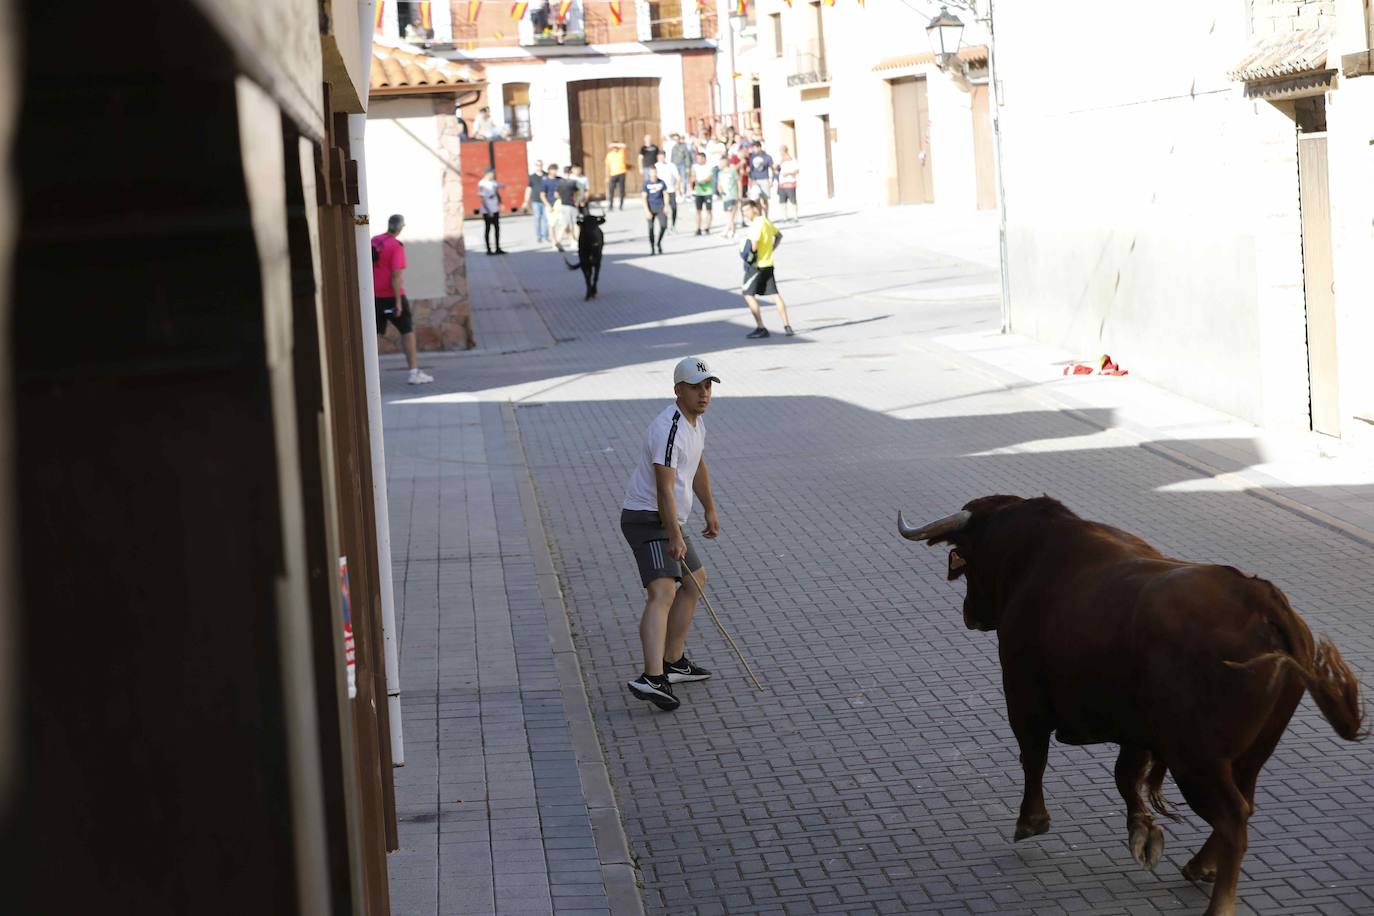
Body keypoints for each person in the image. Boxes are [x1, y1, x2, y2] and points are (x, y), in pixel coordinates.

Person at [621, 356, 722, 711]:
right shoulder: (669, 427)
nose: (704, 394)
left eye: (708, 386)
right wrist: (673, 534)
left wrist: (708, 507)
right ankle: (652, 677)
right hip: (647, 518)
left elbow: (696, 466)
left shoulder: (695, 424)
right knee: (662, 591)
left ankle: (674, 663)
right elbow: (664, 488)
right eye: (695, 388)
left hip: (668, 520)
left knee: (694, 580)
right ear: (678, 390)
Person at [371, 214, 434, 384]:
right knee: (407, 332)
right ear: (400, 228)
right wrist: (398, 302)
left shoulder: (374, 241)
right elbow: (396, 276)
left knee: (371, 335)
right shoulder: (396, 246)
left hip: (373, 296)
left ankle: (367, 373)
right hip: (391, 297)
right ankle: (414, 373)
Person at [738, 199, 793, 338]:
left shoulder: (757, 224)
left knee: (747, 293)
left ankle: (761, 327)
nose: (745, 213)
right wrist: (772, 248)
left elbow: (754, 245)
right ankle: (787, 326)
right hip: (769, 263)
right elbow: (778, 235)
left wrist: (748, 258)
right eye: (743, 211)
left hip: (758, 266)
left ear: (754, 209)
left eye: (747, 210)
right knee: (775, 294)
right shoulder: (766, 221)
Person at [477, 169, 506, 255]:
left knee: (497, 229)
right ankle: (488, 249)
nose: (493, 175)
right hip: (487, 210)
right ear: (487, 174)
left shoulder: (493, 182)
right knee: (488, 229)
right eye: (491, 173)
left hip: (495, 208)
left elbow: (497, 188)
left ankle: (497, 248)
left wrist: (500, 203)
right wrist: (488, 210)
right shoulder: (482, 183)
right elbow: (482, 199)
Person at [642, 164, 668, 255]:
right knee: (651, 228)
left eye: (655, 172)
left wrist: (666, 206)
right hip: (650, 207)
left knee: (664, 225)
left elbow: (665, 194)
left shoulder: (661, 182)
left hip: (660, 207)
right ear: (649, 173)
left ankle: (659, 242)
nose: (654, 174)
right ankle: (652, 247)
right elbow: (644, 197)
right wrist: (647, 210)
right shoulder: (646, 184)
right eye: (652, 172)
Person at [689, 150, 716, 236]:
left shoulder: (709, 166)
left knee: (709, 210)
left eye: (700, 158)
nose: (698, 160)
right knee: (698, 211)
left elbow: (710, 177)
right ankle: (698, 228)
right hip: (698, 192)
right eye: (697, 159)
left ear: (704, 158)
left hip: (708, 191)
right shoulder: (695, 167)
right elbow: (692, 177)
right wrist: (693, 183)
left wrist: (701, 181)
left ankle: (707, 227)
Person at [523, 159, 549, 243]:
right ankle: (538, 236)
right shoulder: (532, 177)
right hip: (536, 200)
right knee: (537, 218)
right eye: (538, 165)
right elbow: (529, 189)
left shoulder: (546, 175)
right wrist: (526, 201)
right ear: (535, 166)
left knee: (546, 219)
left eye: (540, 165)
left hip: (545, 201)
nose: (539, 167)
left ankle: (546, 235)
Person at [715, 154, 740, 239]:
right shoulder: (720, 173)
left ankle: (726, 231)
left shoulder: (732, 171)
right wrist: (720, 190)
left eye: (721, 162)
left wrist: (740, 194)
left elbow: (738, 182)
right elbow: (719, 184)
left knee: (732, 215)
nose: (720, 164)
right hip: (725, 196)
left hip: (733, 195)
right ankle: (732, 231)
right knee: (729, 215)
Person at [746, 142, 775, 217]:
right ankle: (760, 216)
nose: (754, 149)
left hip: (764, 179)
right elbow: (750, 170)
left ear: (759, 147)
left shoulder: (767, 157)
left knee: (765, 199)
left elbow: (772, 168)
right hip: (755, 180)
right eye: (753, 148)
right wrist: (751, 181)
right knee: (757, 200)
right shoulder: (751, 157)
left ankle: (766, 216)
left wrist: (771, 180)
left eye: (755, 147)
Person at [656, 151, 681, 232]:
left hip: (671, 190)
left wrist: (678, 187)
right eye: (660, 157)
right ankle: (665, 227)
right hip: (661, 192)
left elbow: (678, 177)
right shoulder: (656, 166)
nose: (661, 158)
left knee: (674, 208)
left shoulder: (671, 165)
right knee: (664, 209)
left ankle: (673, 225)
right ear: (658, 157)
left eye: (662, 156)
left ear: (665, 157)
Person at [541, 163, 564, 250]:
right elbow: (542, 195)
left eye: (556, 170)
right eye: (553, 170)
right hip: (550, 204)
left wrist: (560, 195)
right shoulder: (545, 181)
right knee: (552, 224)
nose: (555, 172)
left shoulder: (560, 180)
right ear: (549, 171)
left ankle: (558, 240)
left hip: (560, 203)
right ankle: (554, 242)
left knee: (564, 223)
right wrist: (548, 205)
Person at [775, 145, 799, 223]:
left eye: (782, 150)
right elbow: (776, 170)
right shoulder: (780, 161)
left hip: (790, 182)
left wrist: (788, 173)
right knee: (782, 201)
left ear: (785, 151)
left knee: (793, 200)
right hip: (781, 183)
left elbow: (797, 170)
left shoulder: (792, 160)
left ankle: (795, 216)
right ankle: (785, 217)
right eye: (780, 151)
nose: (781, 152)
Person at [556, 165, 580, 243]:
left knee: (565, 224)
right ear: (571, 172)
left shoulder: (560, 183)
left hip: (563, 204)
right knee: (575, 224)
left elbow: (556, 194)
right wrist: (578, 201)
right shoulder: (573, 182)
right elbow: (580, 191)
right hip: (572, 204)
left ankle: (558, 240)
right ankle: (576, 240)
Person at [605, 141, 628, 210]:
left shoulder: (621, 152)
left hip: (621, 172)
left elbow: (624, 145)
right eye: (613, 147)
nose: (615, 148)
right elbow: (607, 166)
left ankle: (621, 205)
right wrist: (607, 176)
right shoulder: (609, 155)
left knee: (621, 190)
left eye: (616, 147)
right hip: (613, 174)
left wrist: (616, 144)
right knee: (611, 190)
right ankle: (611, 205)